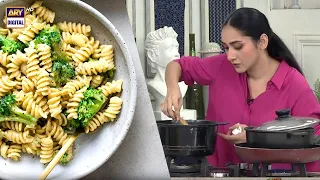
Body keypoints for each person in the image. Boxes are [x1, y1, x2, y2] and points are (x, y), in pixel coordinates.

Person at [161, 7, 320, 172]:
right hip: (218, 173)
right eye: (226, 47)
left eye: (237, 46)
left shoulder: (294, 84)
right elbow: (177, 66)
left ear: (262, 42)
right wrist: (173, 89)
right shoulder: (221, 66)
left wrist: (255, 138)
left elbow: (313, 142)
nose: (230, 56)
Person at [145, 26, 196, 120]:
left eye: (176, 48)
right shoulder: (153, 86)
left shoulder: (184, 85)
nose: (176, 53)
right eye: (170, 49)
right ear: (152, 55)